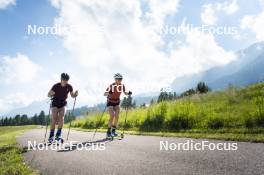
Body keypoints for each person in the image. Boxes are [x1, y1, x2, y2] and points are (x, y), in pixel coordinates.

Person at [47, 73, 78, 143]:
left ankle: (58, 135)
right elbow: (48, 94)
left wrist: (75, 94)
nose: (65, 81)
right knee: (54, 118)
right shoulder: (56, 86)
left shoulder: (69, 86)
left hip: (63, 103)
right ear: (61, 79)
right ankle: (51, 136)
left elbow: (72, 95)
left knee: (62, 117)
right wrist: (50, 94)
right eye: (64, 79)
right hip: (55, 103)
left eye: (66, 80)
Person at [104, 73, 132, 138]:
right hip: (110, 102)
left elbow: (125, 93)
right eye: (118, 79)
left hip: (117, 102)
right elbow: (105, 94)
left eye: (121, 79)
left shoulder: (122, 86)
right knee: (112, 116)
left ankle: (113, 131)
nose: (120, 80)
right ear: (115, 79)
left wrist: (129, 93)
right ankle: (108, 132)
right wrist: (109, 92)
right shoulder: (111, 86)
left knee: (117, 116)